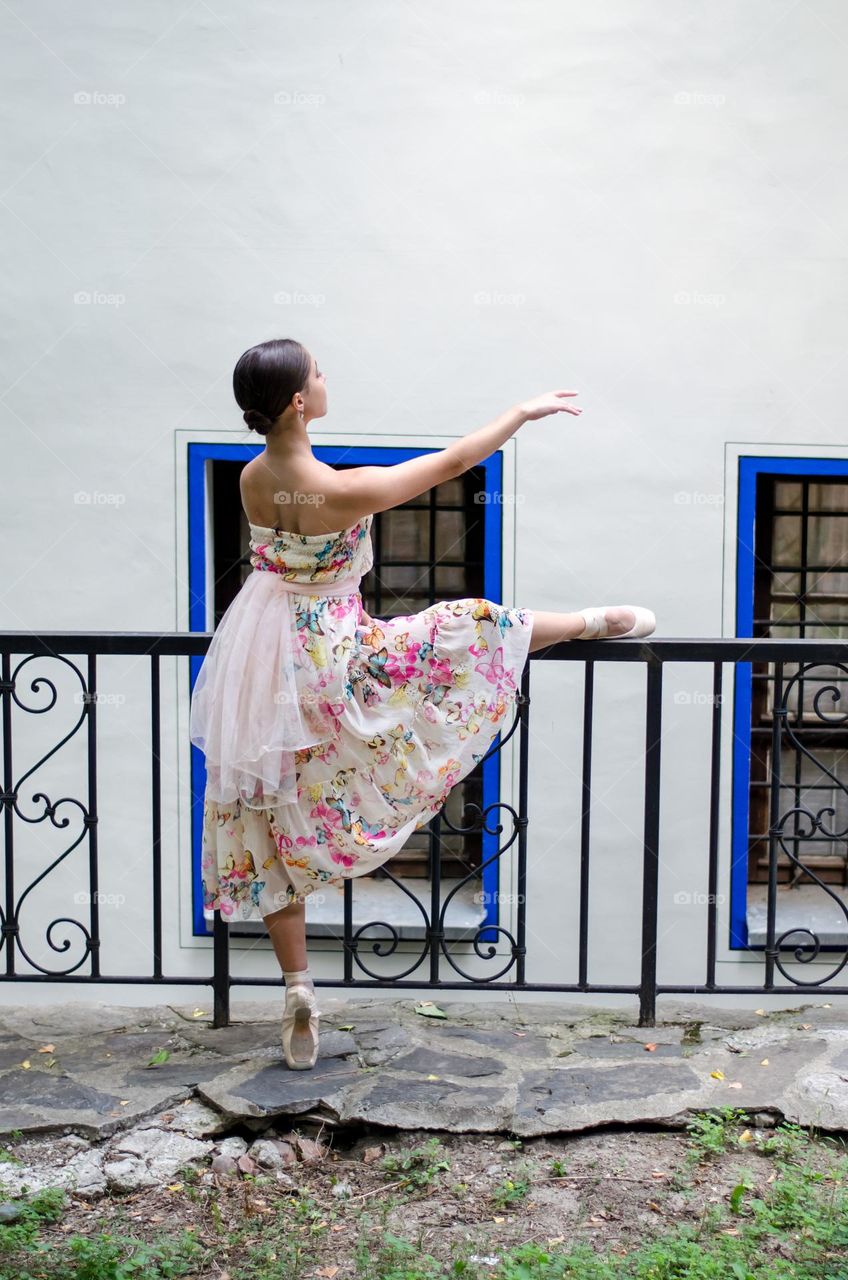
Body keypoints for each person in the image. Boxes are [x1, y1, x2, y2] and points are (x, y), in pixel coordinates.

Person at [189, 337, 656, 1069]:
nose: (324, 375)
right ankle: (595, 621)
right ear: (300, 403)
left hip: (261, 653)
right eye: (318, 371)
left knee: (266, 808)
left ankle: (298, 987)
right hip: (329, 651)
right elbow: (453, 464)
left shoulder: (252, 478)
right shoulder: (341, 490)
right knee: (466, 627)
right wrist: (520, 413)